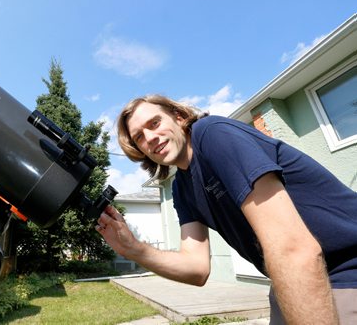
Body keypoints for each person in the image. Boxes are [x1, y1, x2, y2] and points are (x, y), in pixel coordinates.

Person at [95, 94, 357, 325]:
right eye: (139, 137)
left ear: (178, 117)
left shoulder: (213, 134)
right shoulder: (181, 188)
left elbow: (292, 248)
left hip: (345, 268)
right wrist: (133, 249)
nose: (150, 137)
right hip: (288, 278)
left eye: (154, 123)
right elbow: (196, 267)